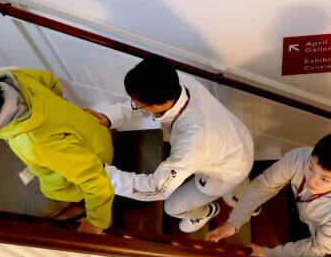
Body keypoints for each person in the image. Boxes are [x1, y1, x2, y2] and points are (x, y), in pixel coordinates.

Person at [0, 62, 114, 234]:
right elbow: (49, 80)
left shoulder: (38, 143)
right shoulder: (13, 79)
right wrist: (57, 115)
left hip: (89, 163)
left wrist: (96, 222)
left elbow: (95, 180)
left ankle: (77, 207)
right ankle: (75, 205)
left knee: (33, 212)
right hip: (91, 131)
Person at [83, 56, 254, 233]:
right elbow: (143, 103)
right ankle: (241, 192)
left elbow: (157, 188)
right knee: (238, 176)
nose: (136, 106)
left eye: (140, 104)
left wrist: (102, 175)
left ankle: (206, 212)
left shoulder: (192, 140)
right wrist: (111, 115)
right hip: (239, 139)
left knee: (172, 208)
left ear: (163, 103)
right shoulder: (177, 80)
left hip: (226, 171)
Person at [206, 133, 331, 257]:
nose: (311, 180)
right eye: (311, 168)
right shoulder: (300, 157)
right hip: (304, 210)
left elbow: (317, 248)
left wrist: (269, 254)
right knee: (299, 231)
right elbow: (263, 186)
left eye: (324, 179)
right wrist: (233, 223)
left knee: (329, 246)